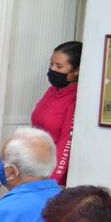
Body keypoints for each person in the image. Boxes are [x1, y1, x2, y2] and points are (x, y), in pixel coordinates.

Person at [31, 41, 81, 185]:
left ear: (76, 71)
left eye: (59, 66)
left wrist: (50, 183)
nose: (52, 69)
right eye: (51, 63)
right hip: (36, 166)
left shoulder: (75, 98)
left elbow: (66, 143)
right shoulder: (52, 90)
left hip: (53, 176)